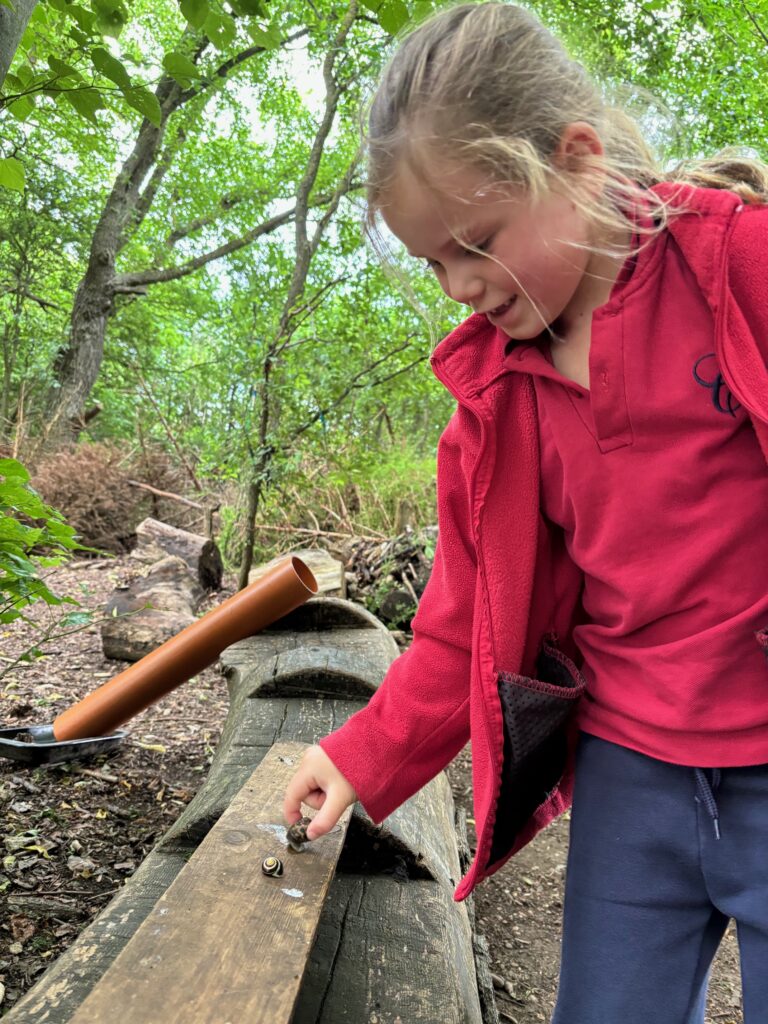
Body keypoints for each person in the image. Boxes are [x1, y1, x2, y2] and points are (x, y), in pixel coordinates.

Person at [283, 4, 768, 1021]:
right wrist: (357, 755)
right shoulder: (498, 405)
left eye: (479, 243)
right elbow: (460, 627)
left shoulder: (738, 270)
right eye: (432, 263)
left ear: (578, 159)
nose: (461, 287)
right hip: (634, 775)